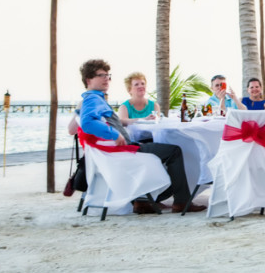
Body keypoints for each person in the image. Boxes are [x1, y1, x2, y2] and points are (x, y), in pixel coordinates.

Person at [77, 59, 204, 214]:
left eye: (108, 75)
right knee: (175, 151)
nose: (106, 79)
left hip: (118, 151)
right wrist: (114, 134)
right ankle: (181, 202)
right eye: (101, 75)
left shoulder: (96, 98)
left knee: (167, 151)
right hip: (122, 152)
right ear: (89, 80)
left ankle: (143, 201)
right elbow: (87, 123)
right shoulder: (93, 98)